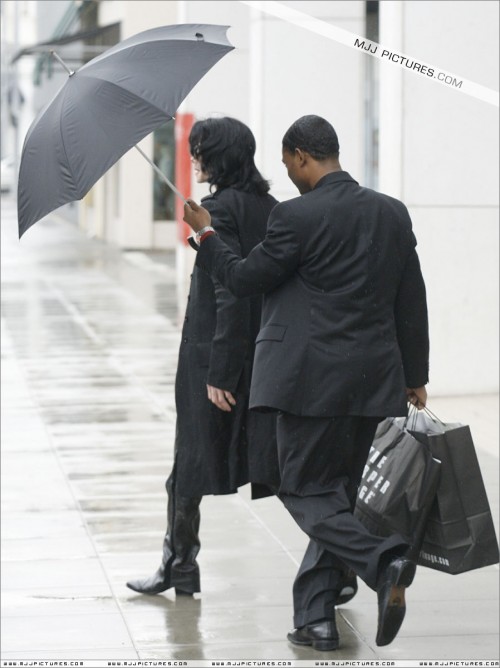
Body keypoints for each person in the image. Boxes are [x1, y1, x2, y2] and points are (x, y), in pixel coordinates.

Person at [182, 115, 430, 651]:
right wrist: (416, 376)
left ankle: (383, 559)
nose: (288, 173)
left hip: (305, 381)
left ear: (300, 156)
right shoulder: (391, 212)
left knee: (300, 488)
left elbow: (246, 279)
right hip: (373, 381)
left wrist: (206, 234)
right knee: (336, 493)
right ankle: (316, 620)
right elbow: (412, 298)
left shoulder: (296, 217)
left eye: (288, 162)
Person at [126, 117, 280, 597]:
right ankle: (335, 570)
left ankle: (179, 566)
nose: (193, 158)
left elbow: (229, 291)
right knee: (284, 466)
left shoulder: (218, 211)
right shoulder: (273, 208)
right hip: (264, 348)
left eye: (200, 150)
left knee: (188, 462)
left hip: (215, 355)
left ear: (221, 157)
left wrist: (220, 371)